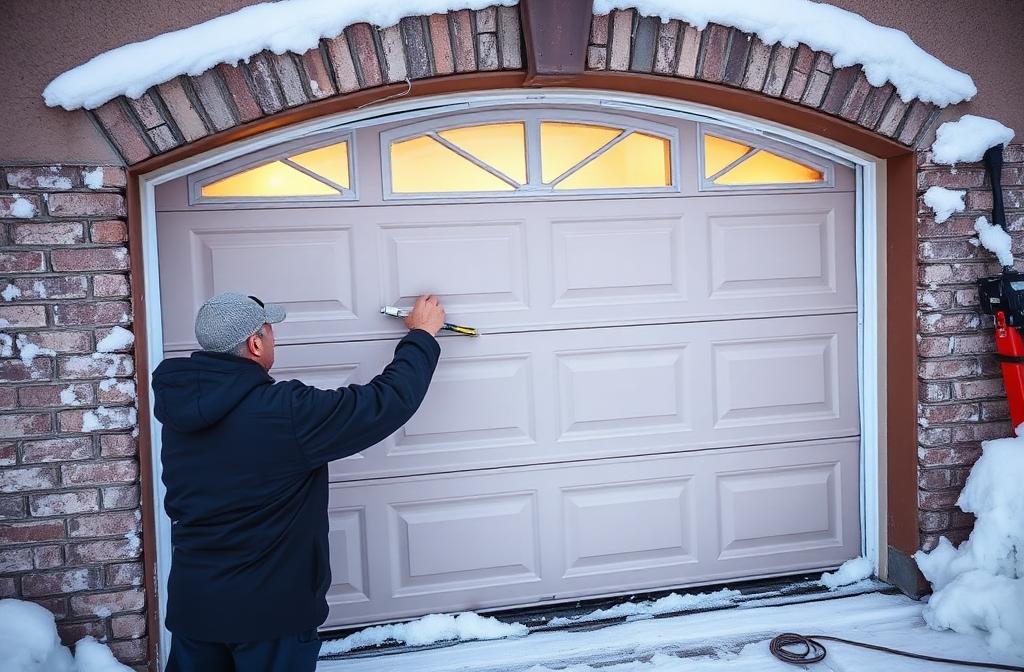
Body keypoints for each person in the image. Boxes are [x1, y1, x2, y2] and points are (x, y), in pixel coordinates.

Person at [152, 291, 445, 672]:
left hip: (196, 606)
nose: (275, 339)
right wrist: (422, 336)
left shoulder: (180, 414)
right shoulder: (283, 412)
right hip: (269, 615)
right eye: (270, 331)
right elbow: (384, 403)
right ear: (256, 343)